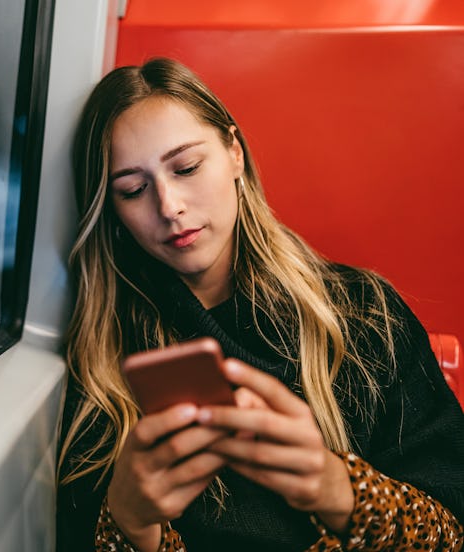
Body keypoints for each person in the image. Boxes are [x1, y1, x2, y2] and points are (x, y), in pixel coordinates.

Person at [56, 57, 464, 551]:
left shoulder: (363, 315)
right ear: (112, 209)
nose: (168, 207)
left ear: (234, 153)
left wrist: (336, 489)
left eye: (186, 167)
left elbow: (450, 533)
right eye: (133, 190)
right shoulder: (100, 368)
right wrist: (130, 524)